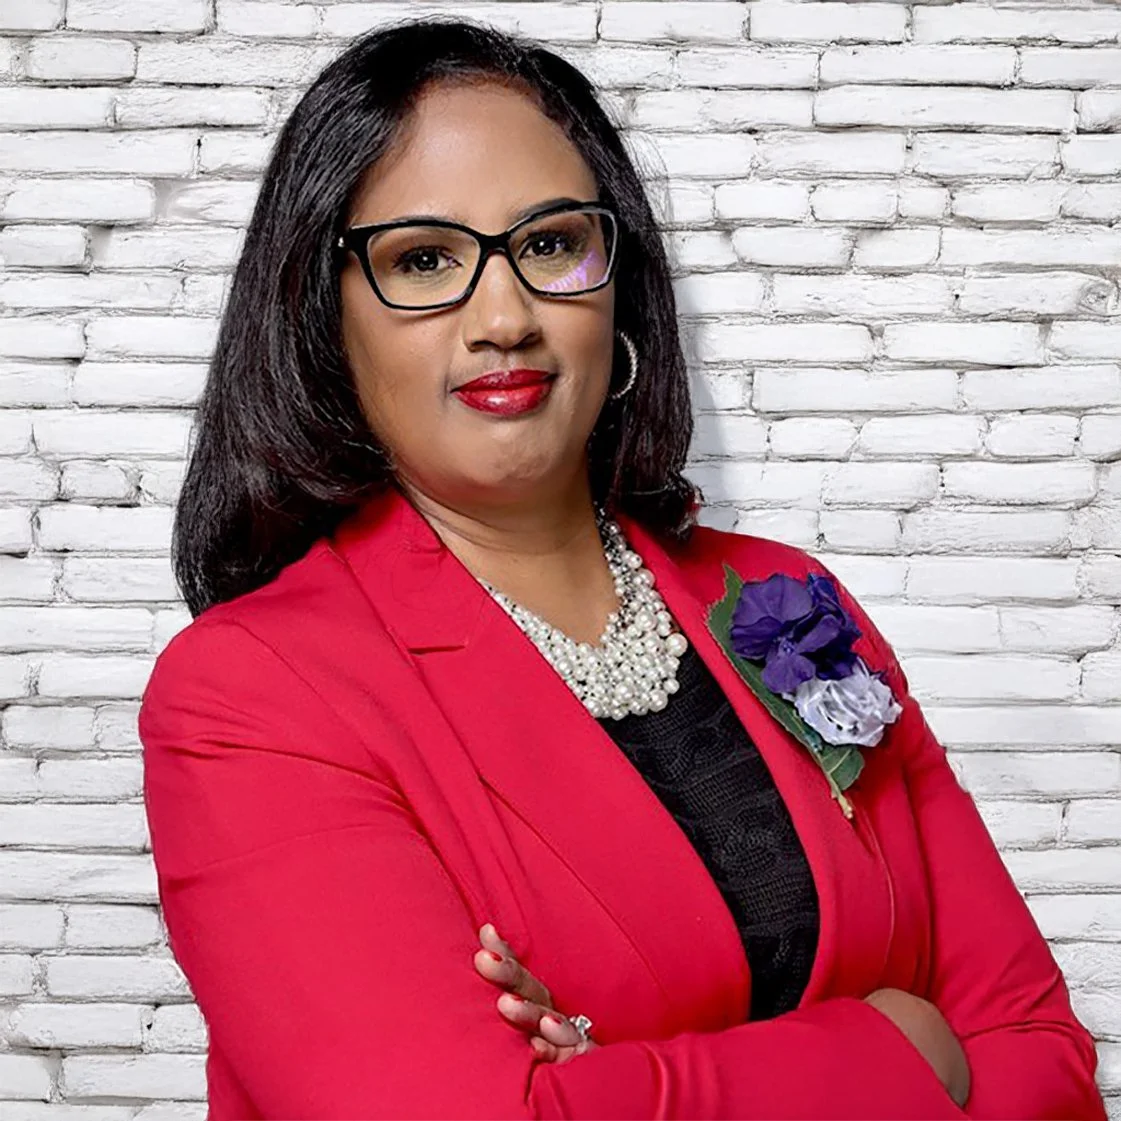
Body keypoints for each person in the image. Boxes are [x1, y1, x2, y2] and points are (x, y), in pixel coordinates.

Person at [138, 17, 1107, 1120]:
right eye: (423, 259)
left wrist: (609, 1081)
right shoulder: (254, 691)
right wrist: (903, 1045)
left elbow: (1041, 1055)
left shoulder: (787, 605)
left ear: (616, 282)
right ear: (324, 315)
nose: (503, 317)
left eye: (551, 244)